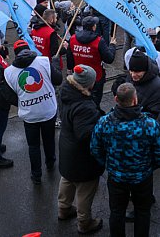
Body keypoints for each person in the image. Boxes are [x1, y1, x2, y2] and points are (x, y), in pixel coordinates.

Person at [91, 83, 160, 237]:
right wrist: (148, 167)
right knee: (143, 212)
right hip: (142, 178)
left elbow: (95, 149)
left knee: (116, 212)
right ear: (135, 100)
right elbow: (158, 153)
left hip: (116, 177)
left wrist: (108, 164)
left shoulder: (104, 123)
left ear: (116, 99)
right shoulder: (150, 124)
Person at [4, 40, 62, 184]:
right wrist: (54, 63)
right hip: (48, 111)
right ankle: (50, 163)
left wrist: (21, 103)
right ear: (29, 50)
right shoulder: (43, 61)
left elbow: (6, 94)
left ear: (15, 54)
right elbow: (58, 80)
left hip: (29, 115)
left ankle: (36, 175)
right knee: (49, 139)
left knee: (33, 145)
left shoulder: (9, 72)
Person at [58, 65, 104, 234]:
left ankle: (63, 209)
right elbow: (85, 134)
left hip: (67, 148)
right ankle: (84, 222)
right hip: (82, 156)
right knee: (85, 188)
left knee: (68, 178)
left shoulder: (66, 91)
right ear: (88, 84)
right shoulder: (84, 106)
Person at [67, 16, 116, 106]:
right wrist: (112, 46)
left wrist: (70, 69)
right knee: (95, 101)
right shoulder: (98, 41)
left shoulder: (73, 38)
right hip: (96, 78)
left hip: (78, 76)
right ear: (94, 27)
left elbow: (69, 59)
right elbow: (109, 59)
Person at [112, 49, 160, 119]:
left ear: (146, 70)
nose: (133, 75)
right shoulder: (131, 77)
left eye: (137, 72)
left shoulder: (157, 86)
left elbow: (155, 113)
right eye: (131, 70)